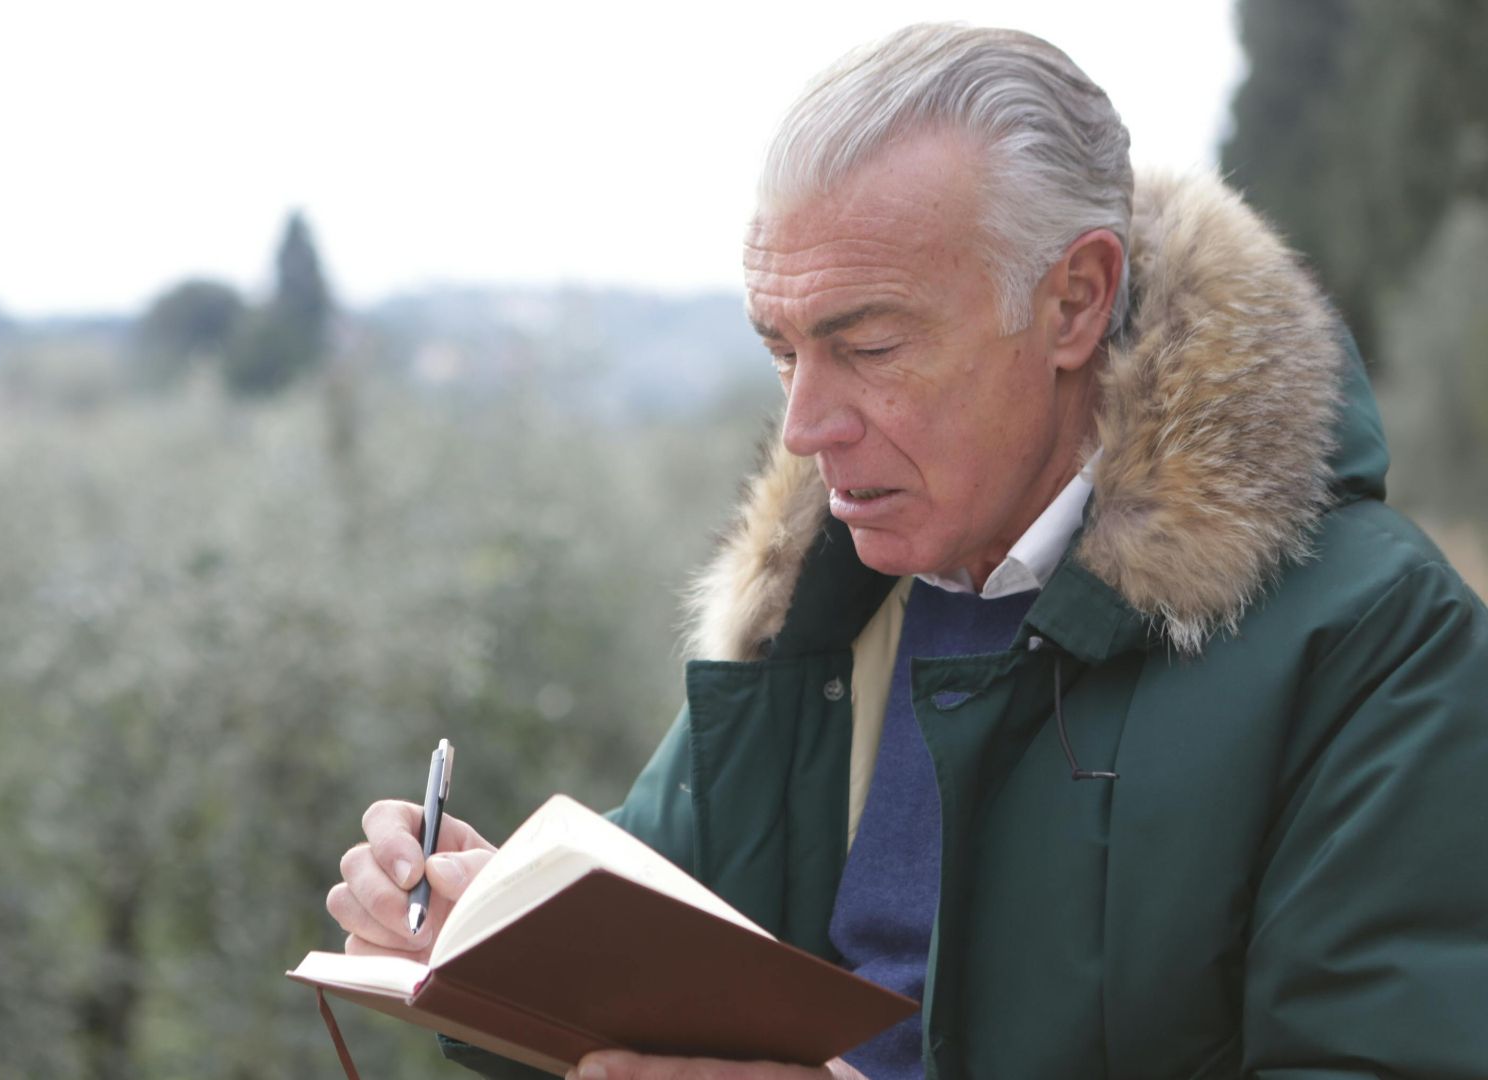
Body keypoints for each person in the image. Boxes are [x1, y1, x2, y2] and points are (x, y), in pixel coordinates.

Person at [327, 23, 1488, 1080]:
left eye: (869, 344)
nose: (803, 426)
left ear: (1075, 302)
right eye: (782, 351)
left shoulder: (1380, 645)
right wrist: (477, 927)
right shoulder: (822, 613)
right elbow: (644, 985)